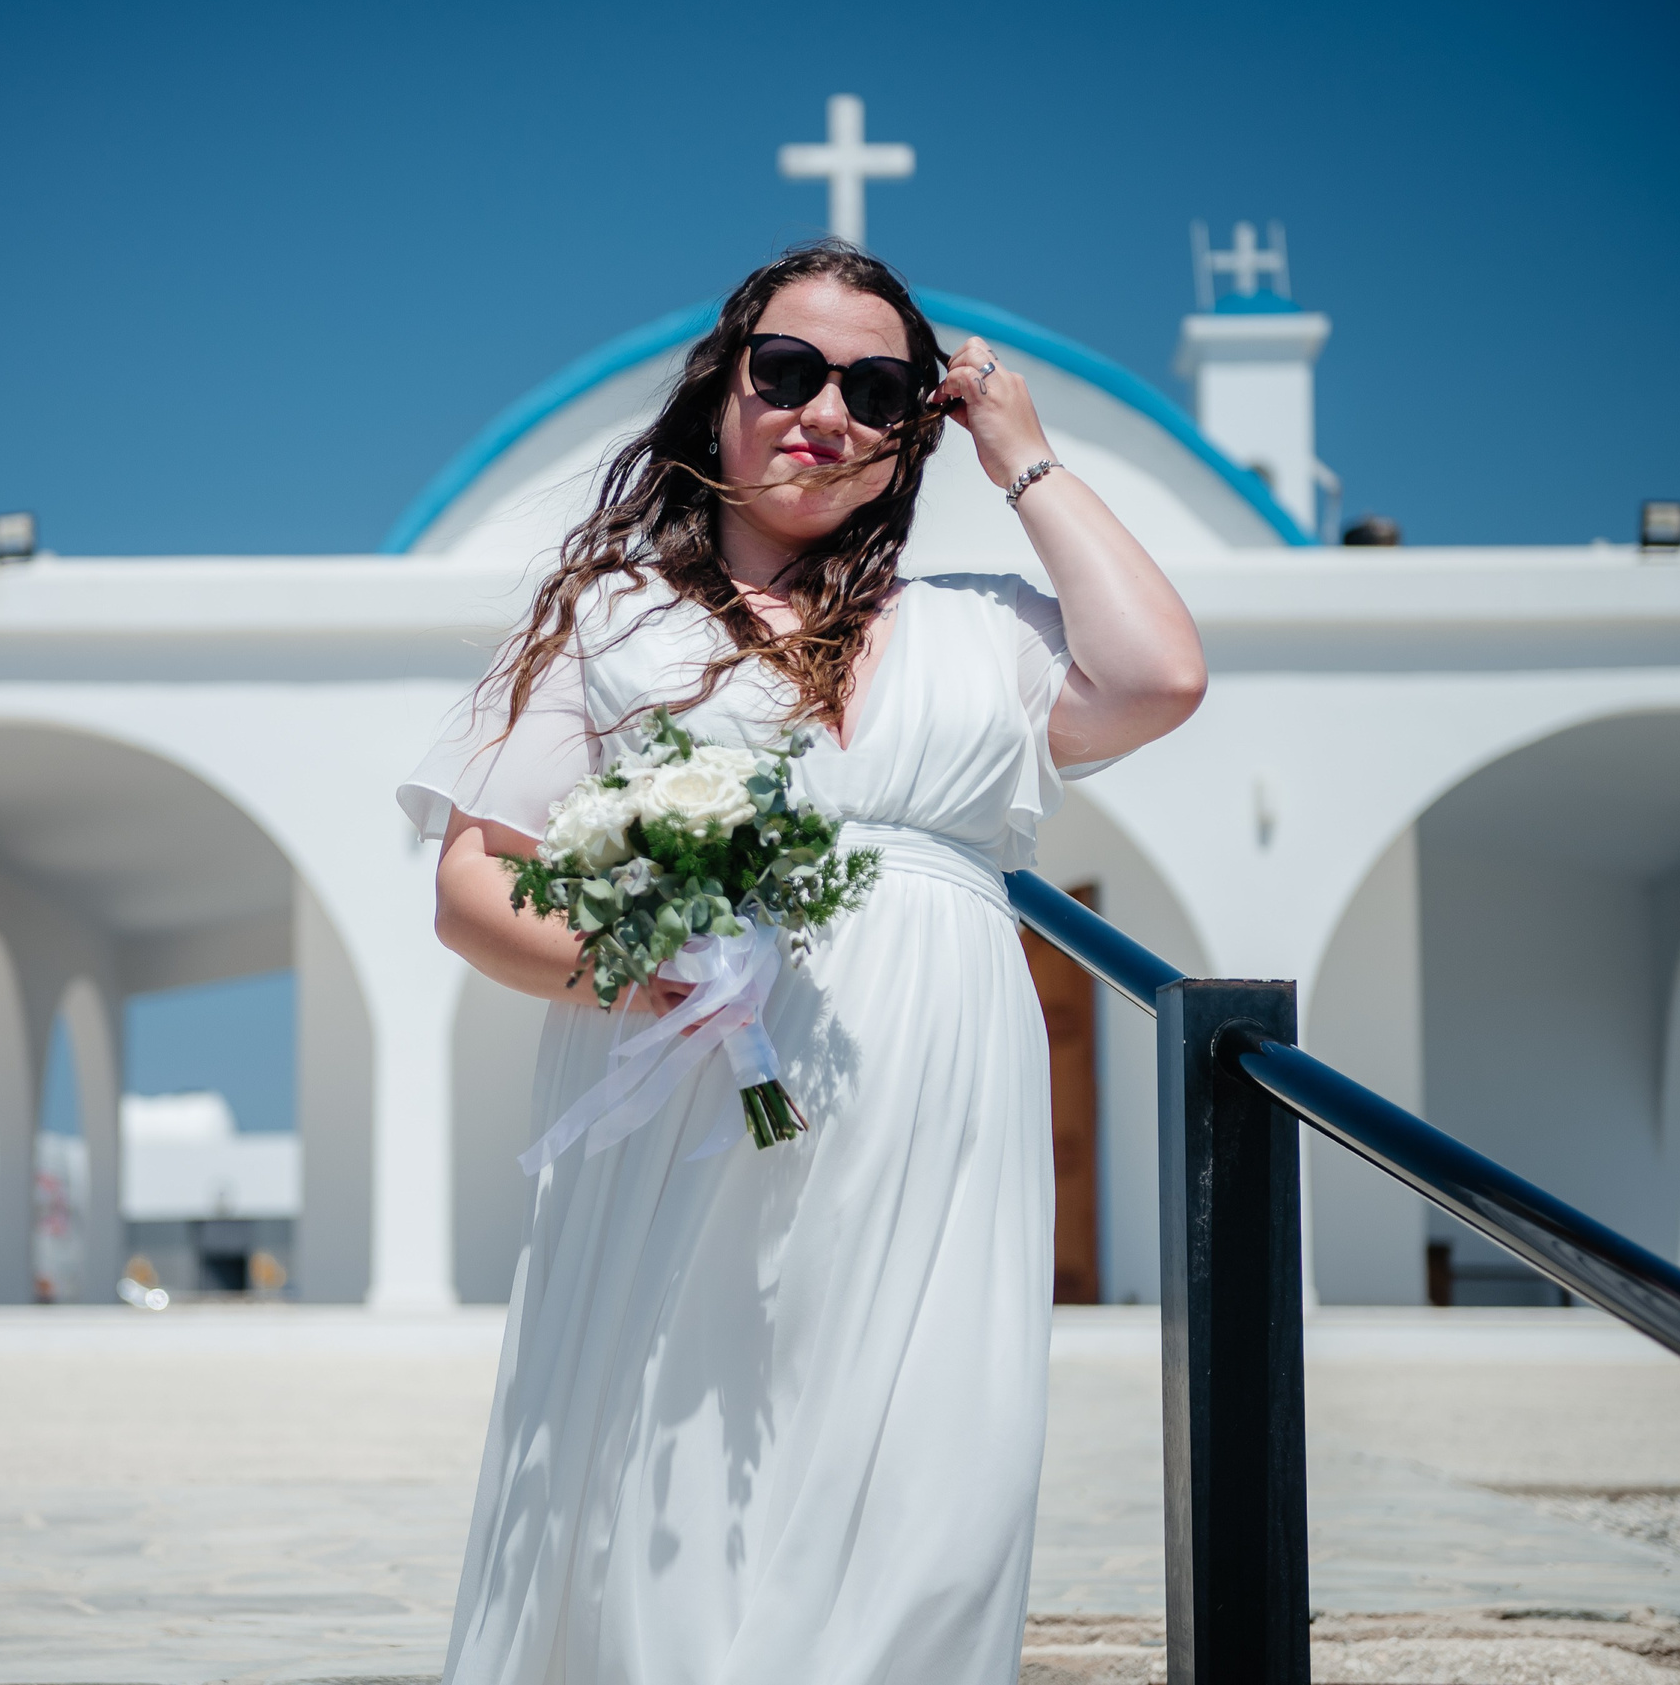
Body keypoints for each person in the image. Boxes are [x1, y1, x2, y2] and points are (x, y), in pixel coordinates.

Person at [395, 240, 1206, 1685]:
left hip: (942, 1124)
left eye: (879, 389)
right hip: (702, 1109)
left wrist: (1025, 457)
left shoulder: (983, 633)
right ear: (725, 391)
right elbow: (475, 879)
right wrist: (637, 961)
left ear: (912, 437)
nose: (824, 409)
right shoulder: (616, 618)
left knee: (931, 1485)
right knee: (683, 1475)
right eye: (788, 370)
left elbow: (1159, 676)